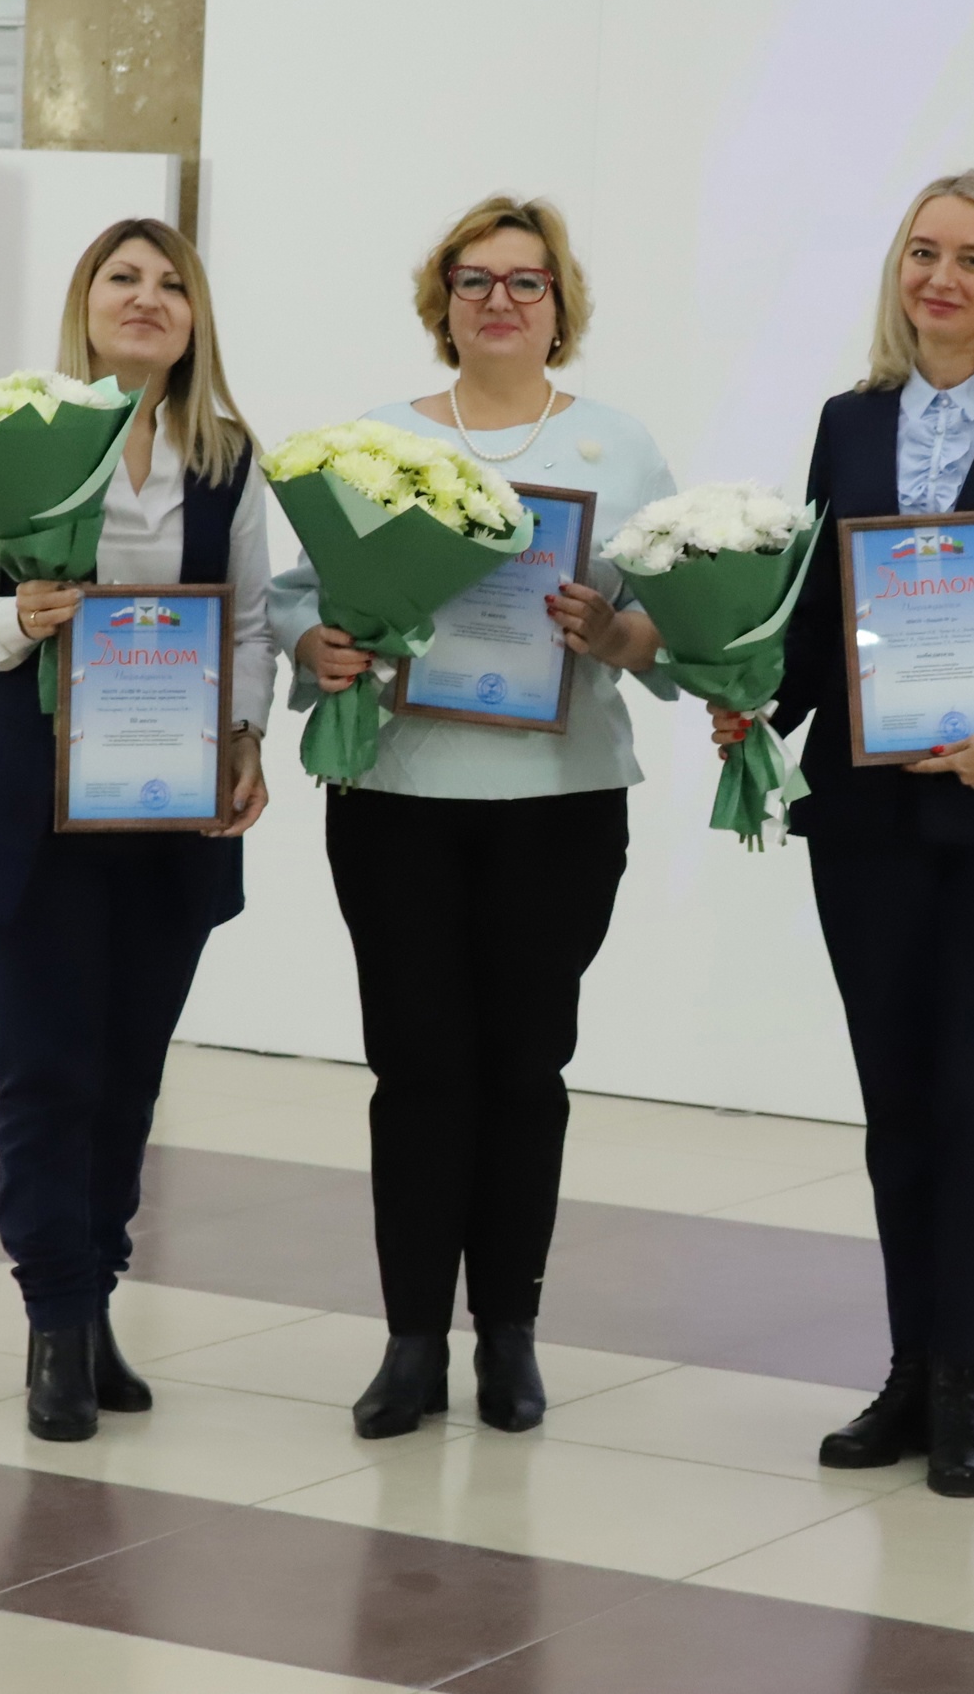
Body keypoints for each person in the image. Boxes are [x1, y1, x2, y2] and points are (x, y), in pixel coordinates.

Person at [713, 171, 974, 1497]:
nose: (942, 278)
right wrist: (750, 698)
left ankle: (962, 1382)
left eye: (970, 258)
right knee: (899, 1100)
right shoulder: (850, 422)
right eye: (922, 254)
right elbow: (810, 621)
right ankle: (907, 1371)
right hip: (865, 814)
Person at [268, 194, 677, 1440]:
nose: (500, 301)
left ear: (562, 305)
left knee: (524, 1071)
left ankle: (509, 1334)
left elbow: (667, 631)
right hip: (398, 798)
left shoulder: (617, 448)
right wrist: (320, 642)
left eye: (526, 282)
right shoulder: (376, 442)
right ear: (440, 301)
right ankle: (409, 1341)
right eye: (475, 280)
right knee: (416, 1069)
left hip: (557, 806)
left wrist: (607, 633)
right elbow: (295, 597)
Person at [0, 217, 273, 1443]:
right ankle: (53, 1320)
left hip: (167, 802)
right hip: (32, 794)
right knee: (47, 1066)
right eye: (122, 278)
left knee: (129, 1070)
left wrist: (247, 740)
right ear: (82, 304)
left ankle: (94, 1292)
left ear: (196, 319)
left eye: (171, 284)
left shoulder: (226, 457)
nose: (147, 298)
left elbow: (243, 626)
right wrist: (19, 616)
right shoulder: (17, 444)